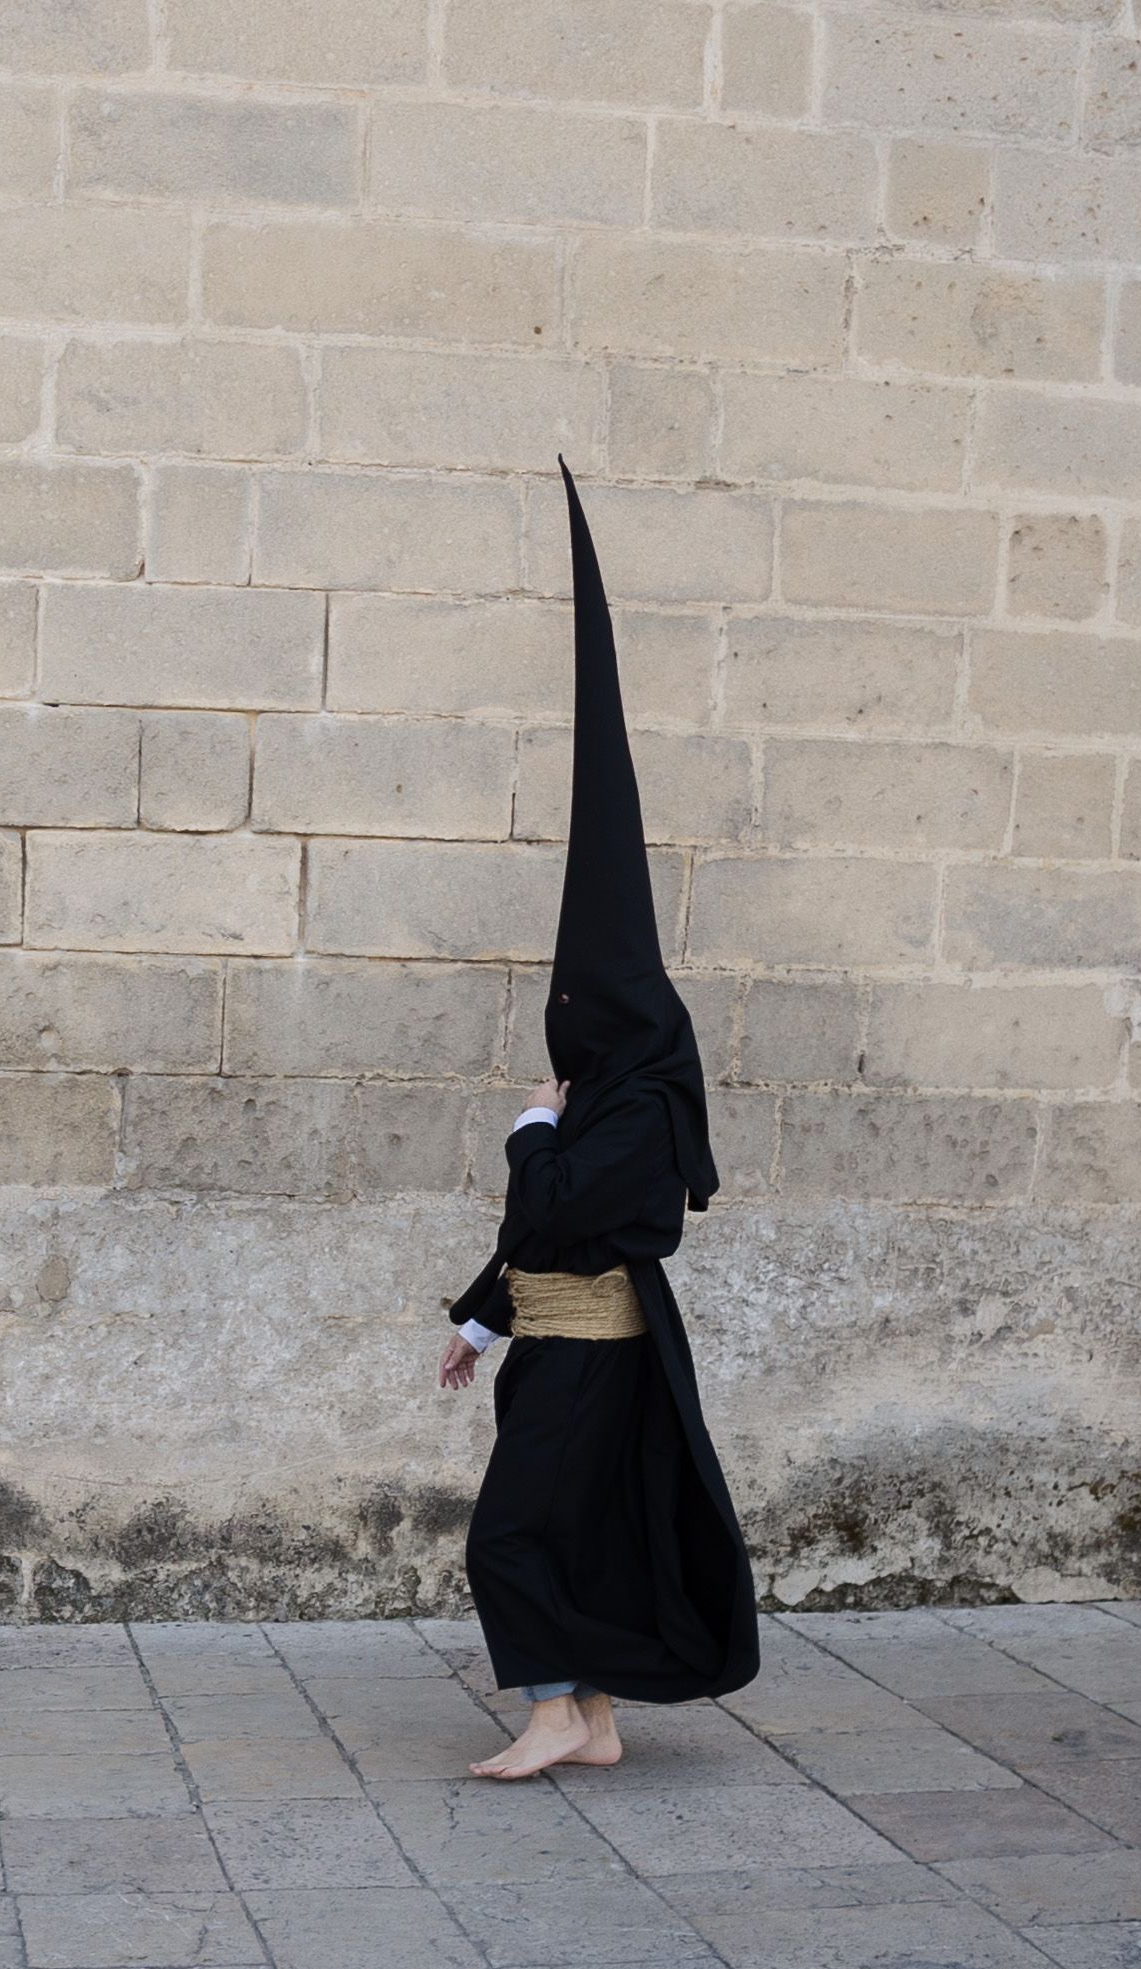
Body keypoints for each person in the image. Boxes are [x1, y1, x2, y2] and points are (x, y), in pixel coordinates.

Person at [435, 461, 761, 1781]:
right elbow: (539, 1242)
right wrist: (477, 1321)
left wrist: (529, 1128)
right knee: (574, 1530)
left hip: (591, 1358)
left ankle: (555, 1710)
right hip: (558, 1348)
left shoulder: (640, 1113)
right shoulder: (619, 1099)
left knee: (508, 1537)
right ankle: (598, 1720)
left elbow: (555, 1208)